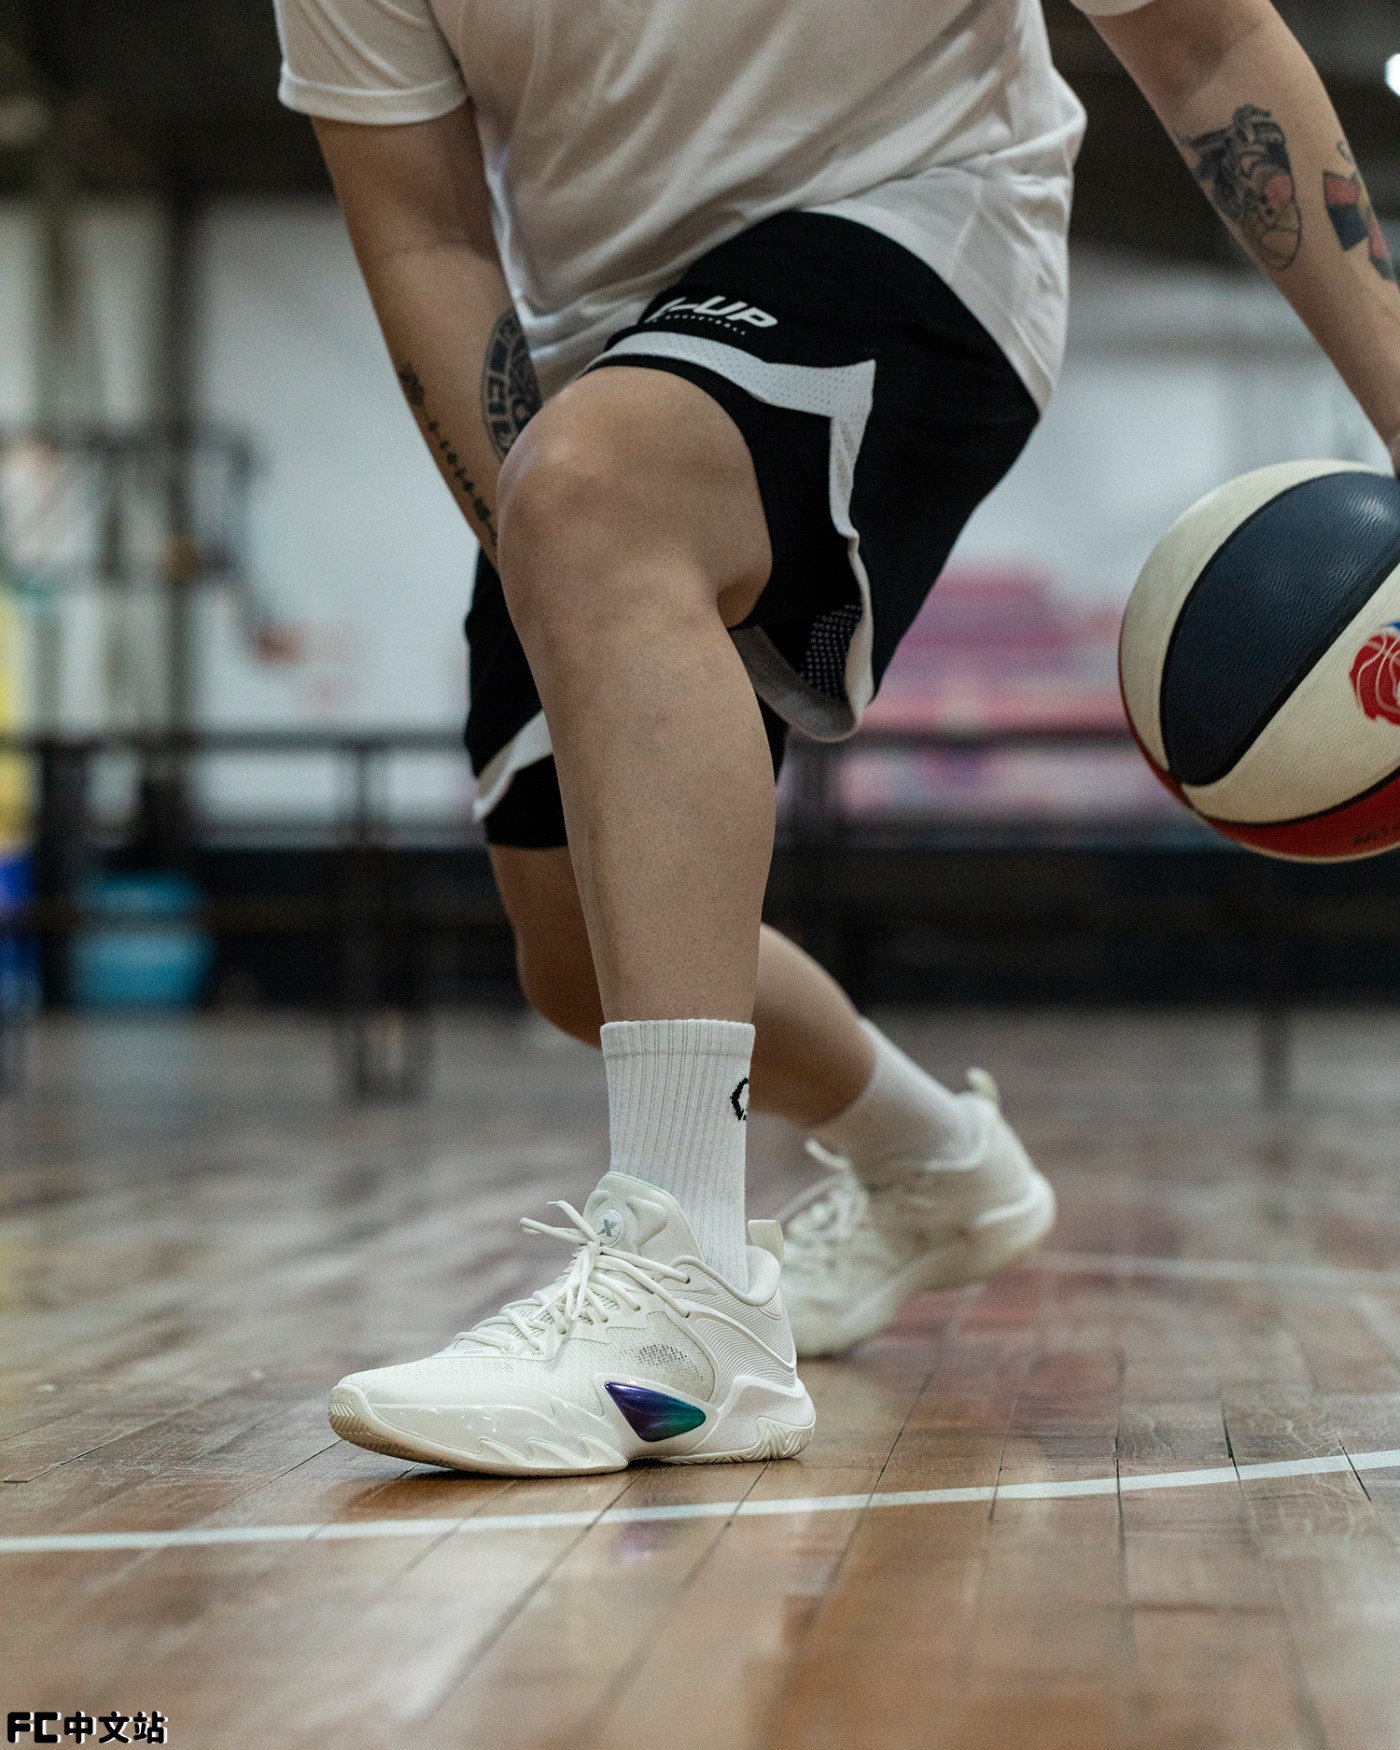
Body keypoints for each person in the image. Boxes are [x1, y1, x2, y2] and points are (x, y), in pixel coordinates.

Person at [274, 0, 1400, 1475]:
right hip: (598, 341)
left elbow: (1205, 43)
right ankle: (935, 1163)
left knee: (602, 495)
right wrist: (560, 561)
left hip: (921, 213)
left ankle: (684, 1307)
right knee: (583, 955)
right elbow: (423, 232)